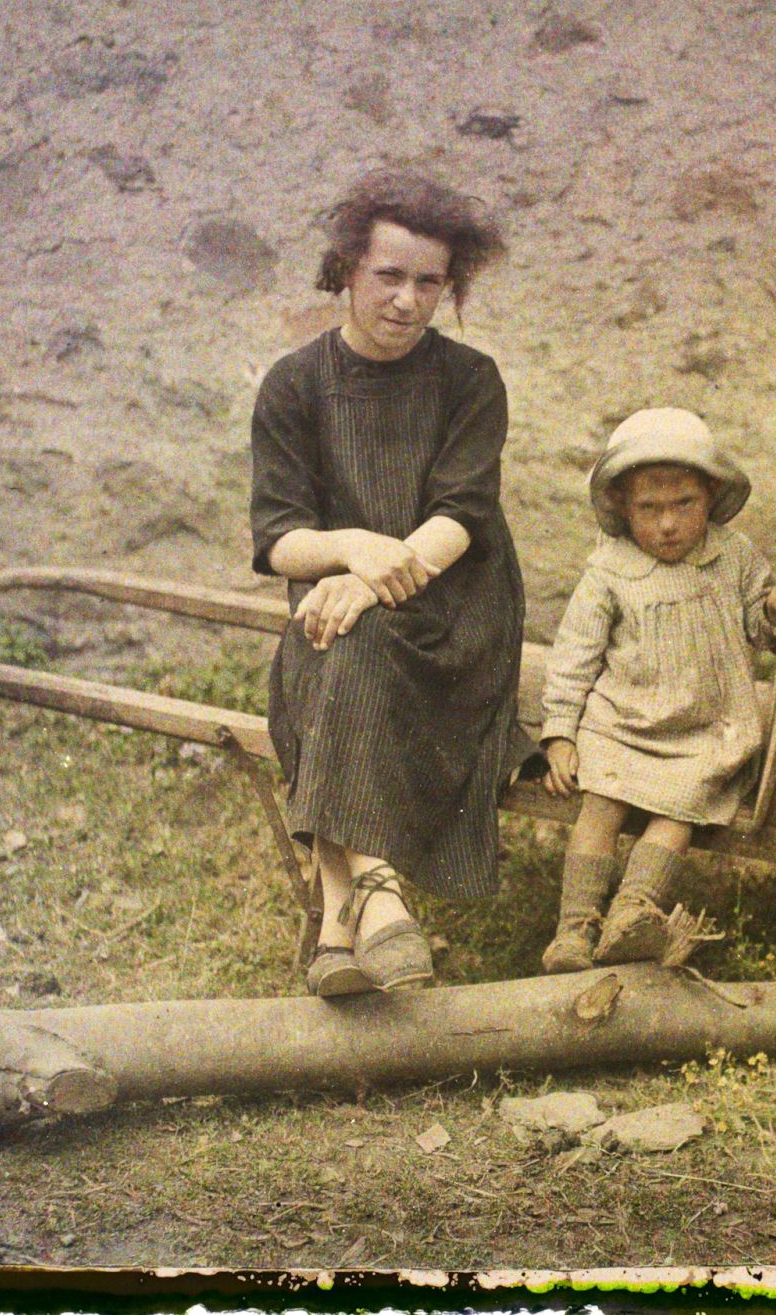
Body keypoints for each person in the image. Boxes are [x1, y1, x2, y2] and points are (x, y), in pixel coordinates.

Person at [249, 170, 533, 997]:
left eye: (429, 282)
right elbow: (276, 542)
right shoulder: (295, 384)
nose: (408, 300)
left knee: (336, 638)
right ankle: (366, 909)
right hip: (342, 606)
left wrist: (374, 579)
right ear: (347, 270)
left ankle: (350, 906)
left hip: (458, 610)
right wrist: (350, 549)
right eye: (389, 276)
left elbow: (462, 514)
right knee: (328, 644)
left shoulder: (469, 380)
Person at [536, 409, 776, 972]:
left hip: (704, 732)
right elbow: (574, 657)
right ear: (620, 507)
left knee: (680, 811)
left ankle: (633, 912)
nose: (667, 525)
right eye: (648, 508)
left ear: (711, 495)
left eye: (684, 503)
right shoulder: (609, 569)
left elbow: (760, 627)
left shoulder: (733, 556)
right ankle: (575, 929)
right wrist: (560, 733)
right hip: (622, 723)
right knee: (599, 807)